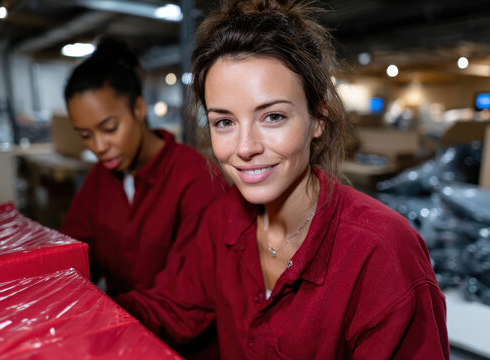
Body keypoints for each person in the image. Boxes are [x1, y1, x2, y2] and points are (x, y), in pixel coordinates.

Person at [116, 0, 450, 358]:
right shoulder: (222, 221)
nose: (244, 148)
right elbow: (172, 309)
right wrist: (78, 305)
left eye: (272, 117)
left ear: (318, 118)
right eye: (224, 122)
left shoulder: (383, 254)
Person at [60, 37, 227, 358]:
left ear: (138, 108)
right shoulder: (100, 180)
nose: (99, 146)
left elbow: (185, 302)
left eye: (109, 128)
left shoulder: (197, 180)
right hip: (122, 338)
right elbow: (72, 256)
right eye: (85, 135)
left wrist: (96, 317)